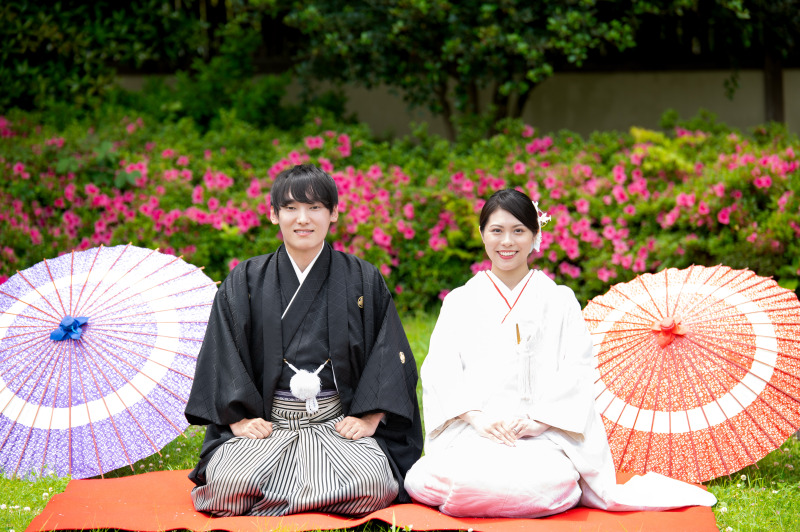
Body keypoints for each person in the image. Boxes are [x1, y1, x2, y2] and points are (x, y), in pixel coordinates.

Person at [403, 188, 716, 517]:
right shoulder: (460, 301)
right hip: (476, 431)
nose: (506, 242)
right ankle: (483, 491)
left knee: (540, 481)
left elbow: (577, 369)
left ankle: (475, 496)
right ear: (482, 235)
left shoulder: (560, 299)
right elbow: (441, 369)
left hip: (541, 437)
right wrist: (478, 419)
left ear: (535, 235)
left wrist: (539, 422)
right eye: (496, 231)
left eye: (518, 231)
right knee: (421, 478)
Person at [185, 163, 423, 517]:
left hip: (337, 424)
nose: (303, 219)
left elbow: (388, 351)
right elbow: (223, 353)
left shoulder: (362, 278)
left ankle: (276, 500)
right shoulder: (246, 280)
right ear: (273, 214)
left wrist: (370, 418)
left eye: (315, 208)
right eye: (291, 208)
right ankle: (321, 498)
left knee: (375, 483)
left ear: (334, 213)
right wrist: (238, 421)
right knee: (225, 485)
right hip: (270, 426)